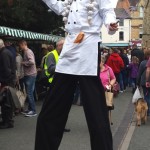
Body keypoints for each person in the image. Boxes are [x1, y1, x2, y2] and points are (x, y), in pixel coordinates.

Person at [35, 0, 118, 150]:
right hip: (69, 48)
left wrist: (111, 23)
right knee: (52, 107)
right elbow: (60, 7)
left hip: (88, 47)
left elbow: (107, 11)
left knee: (95, 110)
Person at [0, 39, 16, 129]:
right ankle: (6, 121)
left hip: (7, 82)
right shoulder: (6, 52)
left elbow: (7, 70)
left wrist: (5, 83)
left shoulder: (4, 54)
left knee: (6, 103)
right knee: (6, 102)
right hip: (8, 81)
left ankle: (8, 122)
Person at [19, 40, 37, 117]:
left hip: (30, 74)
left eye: (20, 45)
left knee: (29, 93)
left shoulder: (28, 52)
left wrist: (23, 63)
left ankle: (33, 111)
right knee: (30, 92)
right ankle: (30, 109)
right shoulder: (27, 51)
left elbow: (32, 62)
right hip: (31, 74)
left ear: (23, 45)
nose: (19, 47)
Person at [100, 55, 116, 120]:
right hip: (96, 91)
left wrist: (110, 85)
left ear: (103, 62)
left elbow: (113, 78)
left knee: (105, 108)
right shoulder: (93, 70)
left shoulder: (108, 69)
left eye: (99, 61)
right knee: (97, 108)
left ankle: (105, 122)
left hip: (106, 91)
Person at [137, 49, 150, 116]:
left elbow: (139, 73)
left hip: (145, 82)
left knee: (146, 96)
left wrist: (137, 82)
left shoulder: (143, 63)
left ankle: (147, 111)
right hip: (146, 82)